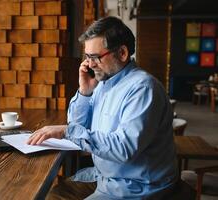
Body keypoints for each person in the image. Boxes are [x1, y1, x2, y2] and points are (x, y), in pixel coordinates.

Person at [27, 16, 178, 199]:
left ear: (122, 53)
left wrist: (66, 131)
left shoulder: (143, 89)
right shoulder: (103, 83)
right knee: (52, 195)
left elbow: (124, 148)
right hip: (106, 177)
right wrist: (85, 92)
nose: (89, 64)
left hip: (135, 187)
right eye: (87, 57)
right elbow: (77, 125)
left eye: (95, 57)